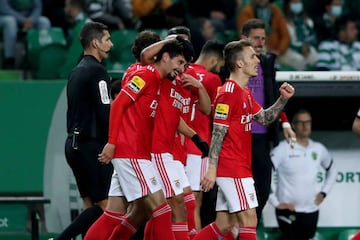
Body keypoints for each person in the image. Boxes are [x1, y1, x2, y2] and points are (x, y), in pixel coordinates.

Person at [84, 36, 194, 240]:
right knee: (162, 210)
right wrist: (112, 142)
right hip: (131, 151)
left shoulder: (158, 80)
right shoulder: (145, 74)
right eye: (179, 62)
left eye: (185, 65)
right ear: (165, 56)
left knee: (113, 214)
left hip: (136, 152)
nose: (181, 69)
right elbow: (117, 105)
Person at [195, 39, 295, 240]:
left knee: (225, 224)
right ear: (239, 63)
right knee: (249, 220)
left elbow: (265, 118)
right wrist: (212, 169)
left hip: (239, 166)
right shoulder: (228, 94)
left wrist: (282, 99)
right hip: (232, 168)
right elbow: (218, 132)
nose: (257, 60)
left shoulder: (245, 93)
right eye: (252, 56)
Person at [54, 21, 114, 240]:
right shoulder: (97, 71)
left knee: (90, 204)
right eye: (107, 39)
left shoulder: (76, 70)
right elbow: (105, 111)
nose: (111, 44)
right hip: (91, 146)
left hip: (74, 145)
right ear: (95, 42)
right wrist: (115, 140)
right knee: (110, 207)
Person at [240, 18, 296, 225]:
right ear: (244, 38)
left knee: (262, 189)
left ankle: (248, 229)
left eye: (263, 38)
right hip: (238, 137)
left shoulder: (267, 62)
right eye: (256, 38)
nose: (261, 42)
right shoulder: (229, 62)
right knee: (232, 192)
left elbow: (273, 94)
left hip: (262, 136)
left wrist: (285, 122)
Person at [268, 109, 337, 240]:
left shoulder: (319, 149)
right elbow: (265, 174)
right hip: (288, 211)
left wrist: (324, 192)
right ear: (293, 125)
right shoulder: (282, 148)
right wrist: (275, 201)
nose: (305, 126)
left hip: (311, 210)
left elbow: (332, 170)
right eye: (300, 122)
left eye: (308, 122)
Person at [184, 39, 225, 230]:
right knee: (194, 203)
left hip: (177, 145)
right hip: (198, 147)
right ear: (214, 59)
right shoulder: (212, 79)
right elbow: (216, 116)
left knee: (174, 202)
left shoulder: (182, 70)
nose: (220, 69)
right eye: (221, 64)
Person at [0, 0, 51, 69]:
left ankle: (43, 58)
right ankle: (10, 60)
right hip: (7, 17)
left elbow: (38, 7)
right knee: (10, 21)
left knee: (44, 21)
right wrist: (23, 20)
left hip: (29, 19)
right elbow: (4, 8)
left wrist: (32, 20)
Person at [278, 0, 318, 71]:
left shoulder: (308, 21)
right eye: (294, 2)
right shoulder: (282, 21)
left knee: (314, 57)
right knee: (299, 60)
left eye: (299, 2)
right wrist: (299, 48)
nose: (297, 5)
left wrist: (306, 47)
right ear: (288, 5)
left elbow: (311, 38)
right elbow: (283, 40)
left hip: (306, 48)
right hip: (288, 49)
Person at [59, 0, 91, 79]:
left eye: (66, 6)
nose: (64, 9)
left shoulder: (82, 28)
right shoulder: (82, 23)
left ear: (74, 7)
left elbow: (74, 57)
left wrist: (63, 76)